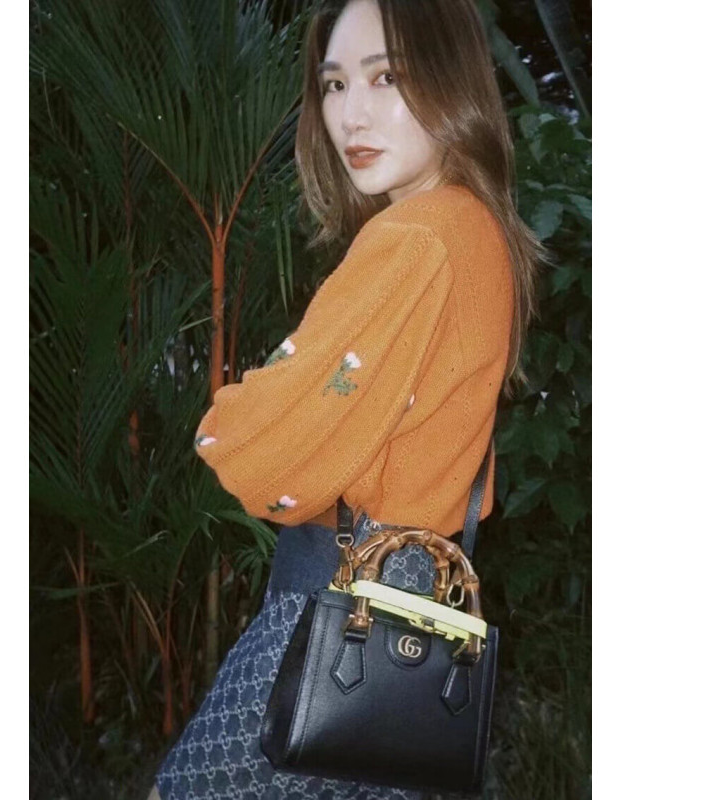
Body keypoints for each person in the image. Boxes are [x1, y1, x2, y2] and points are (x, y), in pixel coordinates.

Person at [153, 0, 542, 797]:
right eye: (334, 84)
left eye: (385, 77)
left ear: (451, 81)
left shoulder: (415, 239)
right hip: (416, 617)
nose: (350, 114)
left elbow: (267, 458)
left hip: (341, 610)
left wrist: (231, 415)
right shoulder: (478, 229)